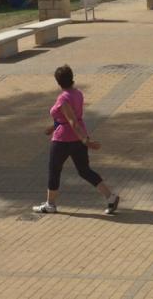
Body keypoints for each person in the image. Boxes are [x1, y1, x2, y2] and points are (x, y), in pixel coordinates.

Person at [33, 65, 120, 215]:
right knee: (84, 170)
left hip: (63, 140)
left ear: (58, 82)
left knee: (54, 170)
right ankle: (110, 197)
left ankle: (50, 204)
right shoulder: (77, 93)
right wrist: (53, 127)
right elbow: (68, 118)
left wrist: (86, 141)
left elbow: (72, 121)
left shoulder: (63, 98)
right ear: (72, 78)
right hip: (77, 138)